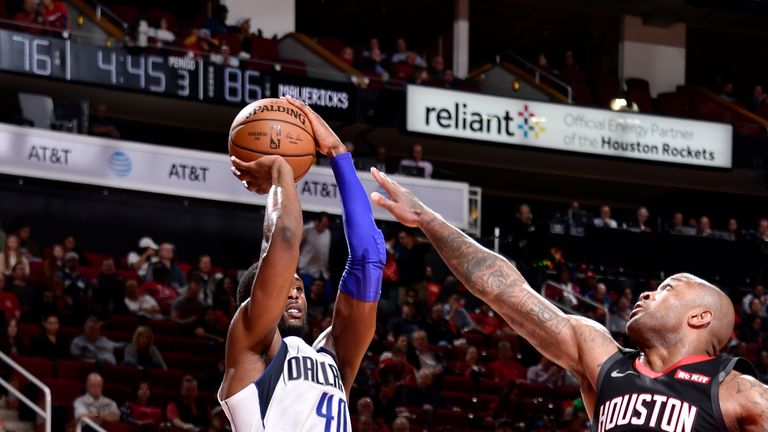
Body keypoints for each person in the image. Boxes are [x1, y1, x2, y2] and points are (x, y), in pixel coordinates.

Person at [369, 166, 768, 430]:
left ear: (699, 317)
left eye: (668, 289)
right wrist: (426, 219)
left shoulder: (741, 394)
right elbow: (504, 290)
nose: (648, 292)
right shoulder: (604, 361)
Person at [218, 96, 385, 431]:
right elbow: (283, 241)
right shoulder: (250, 348)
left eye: (299, 287)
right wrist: (281, 171)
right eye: (286, 287)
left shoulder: (332, 356)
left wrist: (338, 154)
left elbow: (370, 259)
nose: (294, 294)